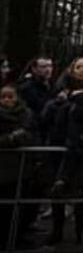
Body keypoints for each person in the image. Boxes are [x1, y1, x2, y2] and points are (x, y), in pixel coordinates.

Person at [44, 57, 83, 245]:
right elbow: (47, 115)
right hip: (60, 142)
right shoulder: (61, 90)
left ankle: (80, 231)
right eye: (79, 67)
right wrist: (58, 103)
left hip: (81, 145)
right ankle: (57, 229)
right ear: (72, 70)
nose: (82, 70)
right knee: (57, 191)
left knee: (80, 191)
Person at [0, 84, 37, 249]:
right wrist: (12, 139)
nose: (7, 100)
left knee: (20, 206)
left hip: (21, 167)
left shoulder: (26, 114)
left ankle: (17, 237)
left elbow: (30, 135)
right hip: (4, 168)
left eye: (10, 97)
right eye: (3, 97)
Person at [17, 57, 53, 124]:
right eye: (43, 67)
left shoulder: (54, 86)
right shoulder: (27, 88)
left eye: (50, 66)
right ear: (34, 69)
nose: (48, 70)